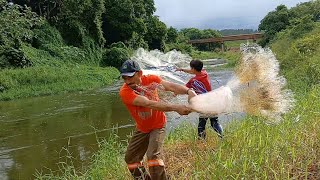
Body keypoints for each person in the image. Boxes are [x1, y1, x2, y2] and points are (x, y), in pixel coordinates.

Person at [119, 59, 196, 180]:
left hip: (158, 125)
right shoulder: (125, 92)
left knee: (153, 157)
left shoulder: (151, 79)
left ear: (139, 73)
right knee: (131, 158)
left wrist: (188, 90)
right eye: (124, 78)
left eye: (130, 77)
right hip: (142, 128)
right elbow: (150, 104)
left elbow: (169, 86)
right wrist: (176, 108)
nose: (127, 81)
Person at [176, 59, 223, 139]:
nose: (190, 70)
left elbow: (184, 89)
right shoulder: (205, 73)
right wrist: (182, 70)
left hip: (204, 105)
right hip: (213, 101)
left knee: (201, 126)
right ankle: (222, 137)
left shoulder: (193, 81)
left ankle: (201, 142)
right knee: (215, 122)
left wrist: (174, 93)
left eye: (191, 68)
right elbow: (193, 71)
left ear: (193, 69)